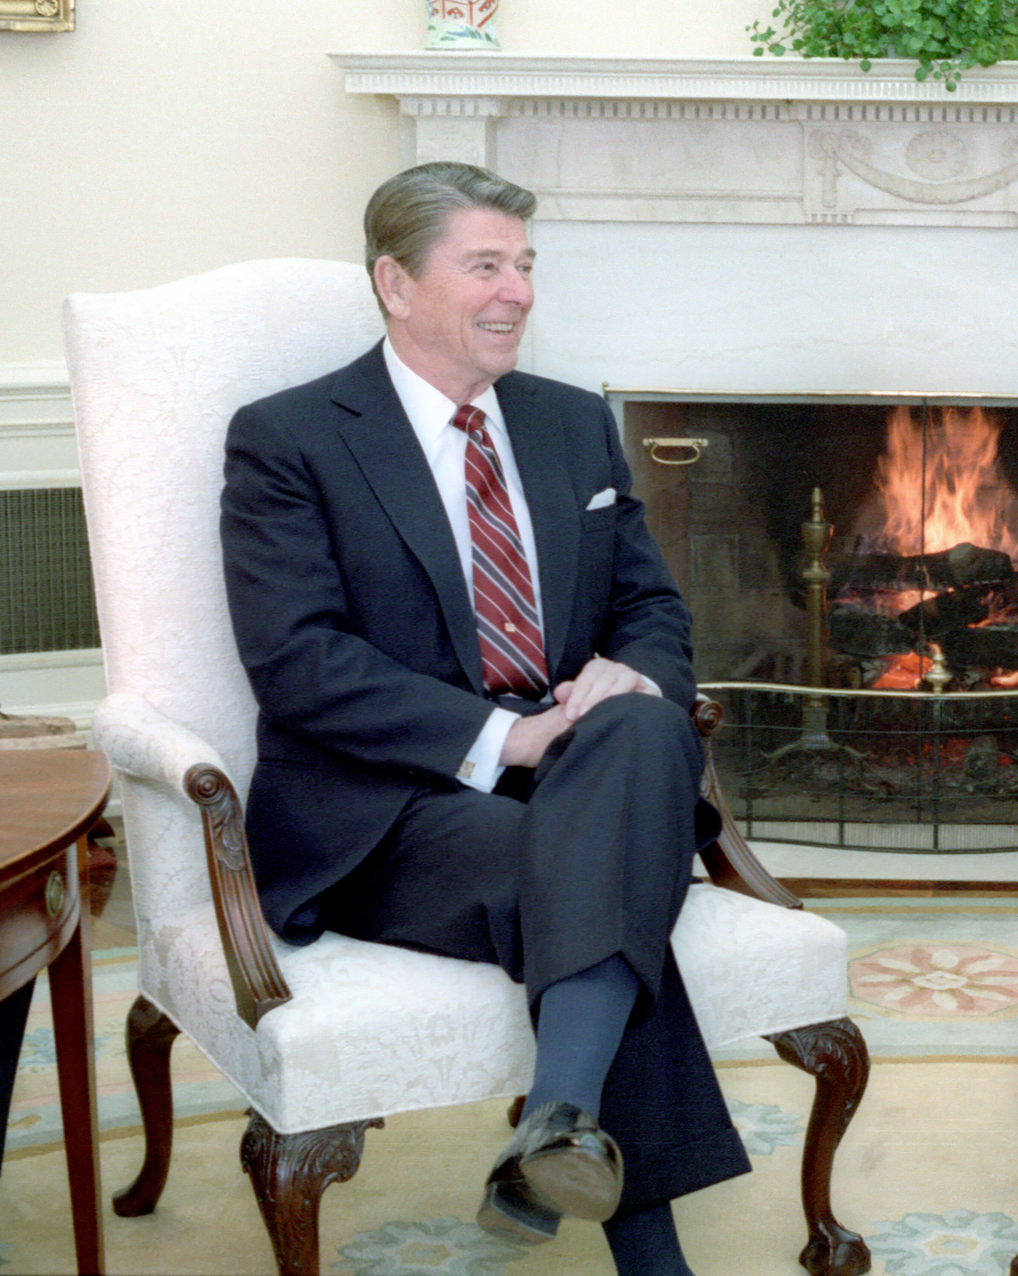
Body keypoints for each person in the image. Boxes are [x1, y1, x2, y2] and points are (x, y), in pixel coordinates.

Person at [220, 161, 746, 1275]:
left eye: (525, 266)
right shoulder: (291, 438)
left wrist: (625, 678)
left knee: (648, 725)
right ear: (396, 284)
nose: (516, 292)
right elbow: (297, 662)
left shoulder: (569, 423)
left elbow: (650, 603)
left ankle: (556, 1120)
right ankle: (647, 1249)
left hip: (583, 762)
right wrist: (507, 737)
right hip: (389, 807)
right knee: (599, 875)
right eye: (485, 265)